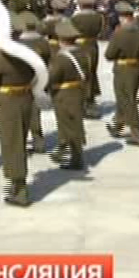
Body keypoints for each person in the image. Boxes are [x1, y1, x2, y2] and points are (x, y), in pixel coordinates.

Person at [0, 16, 37, 207]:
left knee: (11, 144)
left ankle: (19, 189)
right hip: (25, 98)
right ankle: (17, 183)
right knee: (19, 141)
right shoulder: (29, 52)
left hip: (7, 102)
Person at [104, 2, 139, 145]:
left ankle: (137, 133)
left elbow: (109, 54)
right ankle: (118, 124)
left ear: (121, 17)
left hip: (122, 69)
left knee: (127, 100)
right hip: (136, 68)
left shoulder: (120, 33)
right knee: (125, 97)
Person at [49, 20, 89, 170]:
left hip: (64, 94)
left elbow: (52, 77)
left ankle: (76, 158)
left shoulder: (61, 57)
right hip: (78, 91)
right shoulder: (83, 53)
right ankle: (70, 152)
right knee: (75, 123)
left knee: (68, 125)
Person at [16, 11, 50, 154]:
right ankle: (38, 139)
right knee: (35, 112)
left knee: (20, 113)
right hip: (39, 78)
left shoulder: (17, 43)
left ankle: (21, 141)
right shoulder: (43, 41)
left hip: (21, 80)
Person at [71, 0, 104, 119]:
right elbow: (101, 31)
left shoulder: (76, 18)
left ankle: (85, 101)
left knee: (81, 74)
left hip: (80, 47)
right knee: (92, 72)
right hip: (93, 46)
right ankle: (91, 100)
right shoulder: (98, 17)